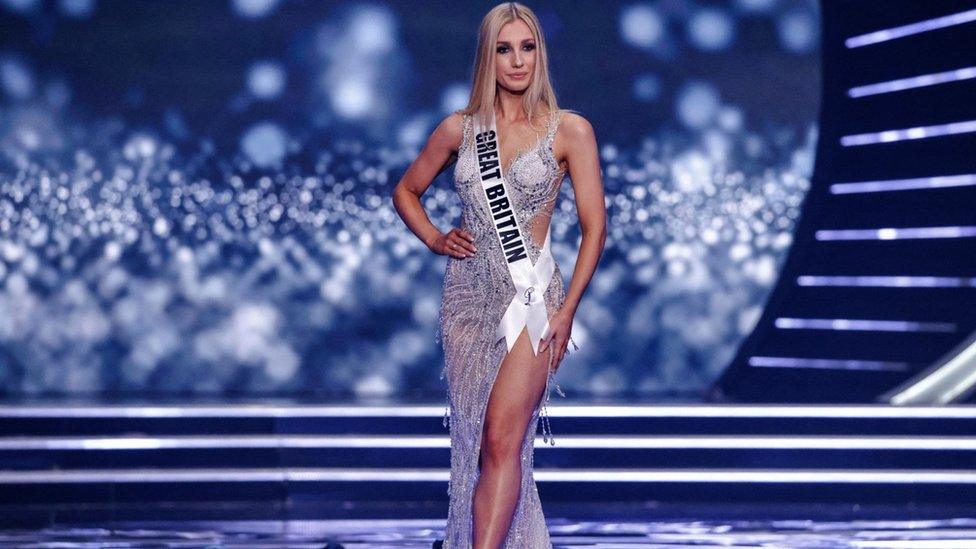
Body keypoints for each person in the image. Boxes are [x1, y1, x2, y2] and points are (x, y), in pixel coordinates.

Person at [393, 2, 606, 547]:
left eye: (527, 47)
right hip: (467, 300)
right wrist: (437, 238)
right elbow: (406, 191)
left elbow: (594, 228)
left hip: (533, 299)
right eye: (504, 49)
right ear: (488, 57)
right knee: (475, 443)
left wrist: (566, 311)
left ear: (541, 53)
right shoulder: (460, 129)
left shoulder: (571, 131)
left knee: (501, 438)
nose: (517, 61)